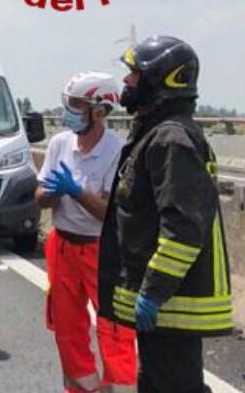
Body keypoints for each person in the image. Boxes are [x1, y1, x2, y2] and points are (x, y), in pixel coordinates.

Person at [98, 36, 234, 393]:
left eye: (134, 75)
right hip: (166, 308)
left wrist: (153, 292)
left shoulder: (171, 139)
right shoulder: (157, 135)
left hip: (172, 304)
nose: (127, 83)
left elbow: (184, 227)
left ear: (160, 81)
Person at [36, 72, 136, 392]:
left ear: (99, 111)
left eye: (77, 105)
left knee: (113, 328)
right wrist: (52, 192)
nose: (69, 112)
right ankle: (83, 388)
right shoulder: (60, 144)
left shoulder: (118, 152)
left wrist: (76, 191)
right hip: (63, 245)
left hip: (101, 249)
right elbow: (40, 198)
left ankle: (119, 386)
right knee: (67, 328)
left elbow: (109, 214)